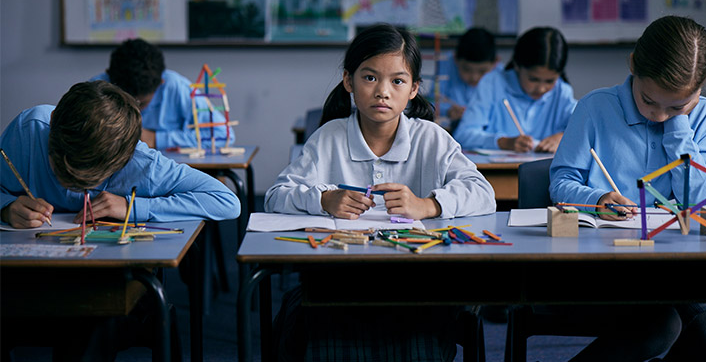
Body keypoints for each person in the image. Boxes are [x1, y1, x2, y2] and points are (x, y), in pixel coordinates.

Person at [265, 23, 496, 361]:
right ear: (349, 81)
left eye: (397, 81)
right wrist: (322, 199)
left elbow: (482, 192)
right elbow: (276, 196)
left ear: (414, 89)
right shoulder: (329, 138)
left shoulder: (431, 138)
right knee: (314, 325)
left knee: (421, 336)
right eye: (370, 78)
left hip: (416, 286)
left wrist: (428, 204)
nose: (382, 91)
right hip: (339, 284)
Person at [549, 15, 706, 361]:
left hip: (676, 266)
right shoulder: (594, 108)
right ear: (633, 65)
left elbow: (701, 199)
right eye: (649, 101)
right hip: (604, 264)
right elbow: (561, 184)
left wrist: (680, 127)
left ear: (700, 88)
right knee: (657, 325)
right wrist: (597, 199)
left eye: (677, 106)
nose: (660, 116)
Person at [1, 80, 240, 228]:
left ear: (123, 158)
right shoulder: (27, 131)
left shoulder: (141, 163)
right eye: (57, 166)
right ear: (53, 122)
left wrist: (131, 208)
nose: (68, 187)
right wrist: (6, 207)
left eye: (90, 180)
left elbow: (226, 201)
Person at [90, 38, 235, 150]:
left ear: (161, 83)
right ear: (109, 79)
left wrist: (156, 139)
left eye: (142, 104)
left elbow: (223, 135)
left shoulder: (176, 87)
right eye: (126, 104)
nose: (135, 111)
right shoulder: (96, 89)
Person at [454, 26, 576, 153]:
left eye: (550, 81)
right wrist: (504, 142)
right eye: (533, 79)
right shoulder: (492, 84)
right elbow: (463, 135)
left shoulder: (562, 91)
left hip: (546, 170)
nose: (541, 88)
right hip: (498, 171)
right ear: (517, 66)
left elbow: (589, 130)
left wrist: (562, 137)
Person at [431, 27, 500, 132]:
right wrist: (448, 110)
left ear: (495, 63)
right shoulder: (446, 64)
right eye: (466, 69)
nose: (474, 77)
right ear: (455, 59)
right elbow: (432, 100)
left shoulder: (501, 74)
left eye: (482, 71)